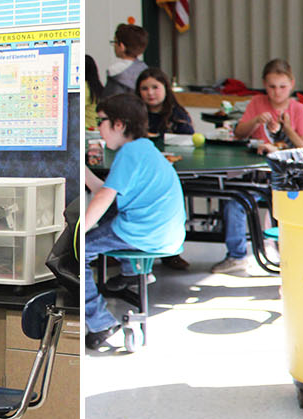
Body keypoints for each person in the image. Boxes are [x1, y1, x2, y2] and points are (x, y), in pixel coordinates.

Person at [82, 94, 185, 351]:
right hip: (165, 231)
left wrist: (77, 233)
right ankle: (131, 274)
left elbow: (105, 196)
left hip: (144, 232)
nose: (98, 129)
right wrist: (81, 170)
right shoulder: (143, 149)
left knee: (74, 253)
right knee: (110, 214)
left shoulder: (129, 153)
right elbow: (104, 190)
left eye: (101, 122)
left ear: (119, 124)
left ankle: (100, 323)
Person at [222, 59, 303, 276]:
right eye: (271, 87)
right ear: (264, 85)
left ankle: (291, 257)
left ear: (291, 84)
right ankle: (236, 256)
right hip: (256, 172)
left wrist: (287, 130)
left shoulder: (298, 109)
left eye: (282, 87)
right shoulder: (257, 103)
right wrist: (255, 122)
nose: (277, 92)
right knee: (234, 202)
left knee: (287, 212)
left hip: (287, 176)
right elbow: (240, 133)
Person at [139, 68, 195, 136]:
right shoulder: (135, 116)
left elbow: (188, 141)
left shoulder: (178, 116)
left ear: (166, 88)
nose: (150, 93)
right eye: (144, 89)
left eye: (155, 87)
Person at [102, 24, 149, 100]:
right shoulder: (146, 69)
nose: (114, 46)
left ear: (122, 46)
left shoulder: (115, 71)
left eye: (115, 42)